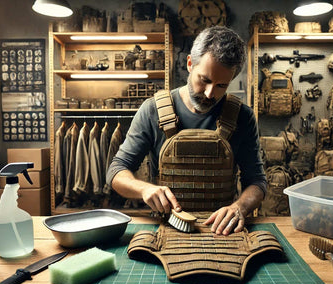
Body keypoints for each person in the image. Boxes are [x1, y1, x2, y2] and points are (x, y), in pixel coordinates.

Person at [107, 26, 266, 236]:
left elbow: (257, 181)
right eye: (205, 80)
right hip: (166, 226)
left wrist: (240, 208)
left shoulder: (242, 117)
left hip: (222, 230)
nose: (210, 94)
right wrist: (145, 189)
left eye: (221, 85)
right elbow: (116, 171)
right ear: (190, 64)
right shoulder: (152, 110)